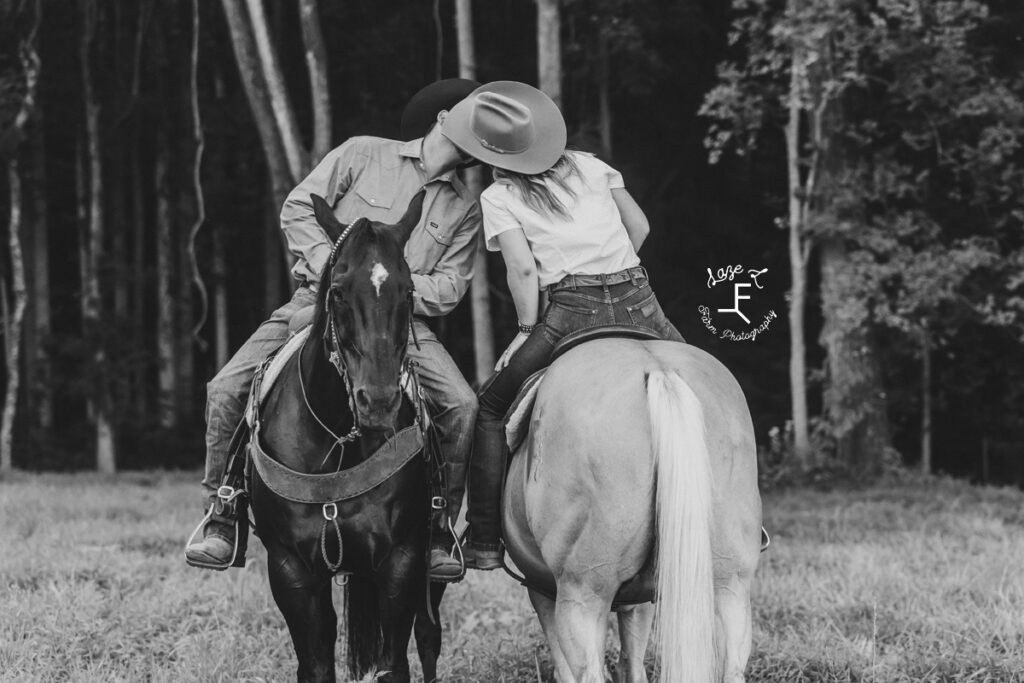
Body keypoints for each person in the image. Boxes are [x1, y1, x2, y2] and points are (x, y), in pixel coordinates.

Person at [185, 79, 481, 582]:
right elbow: (298, 207)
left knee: (462, 405)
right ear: (444, 119)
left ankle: (437, 526)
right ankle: (225, 510)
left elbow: (451, 286)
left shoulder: (464, 208)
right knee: (225, 388)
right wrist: (337, 275)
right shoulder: (363, 153)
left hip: (401, 324)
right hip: (318, 305)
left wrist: (391, 290)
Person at [437, 81, 685, 569]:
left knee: (489, 409)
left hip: (571, 311)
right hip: (640, 298)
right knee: (701, 389)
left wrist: (527, 329)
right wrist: (615, 270)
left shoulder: (499, 196)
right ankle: (741, 520)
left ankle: (485, 538)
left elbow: (524, 271)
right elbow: (641, 228)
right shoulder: (592, 165)